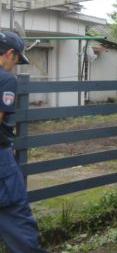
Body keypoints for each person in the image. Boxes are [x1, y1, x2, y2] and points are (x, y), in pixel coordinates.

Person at [0, 31, 46, 252]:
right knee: (18, 223)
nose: (14, 65)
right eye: (16, 59)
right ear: (9, 53)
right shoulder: (5, 79)